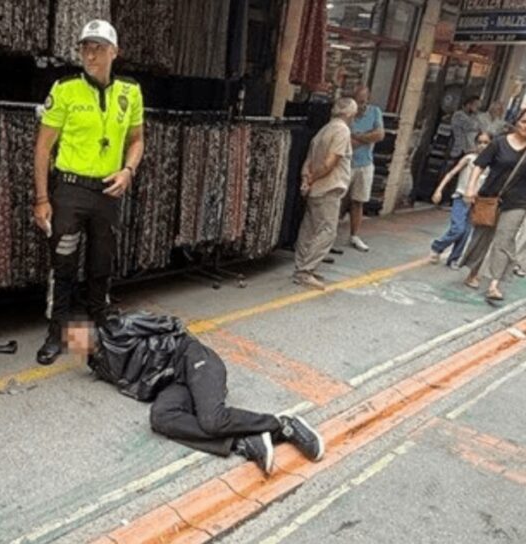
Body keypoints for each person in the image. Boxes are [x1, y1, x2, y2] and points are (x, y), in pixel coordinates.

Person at [63, 312, 324, 475]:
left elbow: (171, 324)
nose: (78, 339)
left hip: (191, 358)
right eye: (72, 339)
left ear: (89, 327)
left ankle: (283, 426)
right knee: (160, 418)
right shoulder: (99, 365)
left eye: (79, 332)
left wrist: (175, 355)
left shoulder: (119, 327)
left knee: (212, 419)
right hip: (174, 384)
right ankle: (243, 442)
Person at [33, 19, 145, 365]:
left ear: (115, 52)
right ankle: (57, 334)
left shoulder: (130, 92)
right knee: (63, 264)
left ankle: (101, 325)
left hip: (107, 193)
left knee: (102, 262)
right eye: (85, 47)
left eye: (98, 47)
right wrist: (41, 199)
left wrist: (128, 171)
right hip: (69, 191)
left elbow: (137, 140)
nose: (90, 53)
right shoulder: (65, 89)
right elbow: (42, 149)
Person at [460, 107, 526, 301]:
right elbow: (479, 166)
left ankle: (495, 283)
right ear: (516, 121)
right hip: (490, 196)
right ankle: (473, 271)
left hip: (519, 200)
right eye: (524, 121)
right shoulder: (498, 143)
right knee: (482, 236)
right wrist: (470, 189)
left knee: (505, 239)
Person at [294, 97, 358, 290]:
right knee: (327, 230)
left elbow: (309, 159)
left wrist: (307, 179)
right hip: (328, 187)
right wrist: (313, 178)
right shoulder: (342, 131)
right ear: (349, 114)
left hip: (316, 188)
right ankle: (306, 271)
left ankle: (302, 267)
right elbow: (330, 163)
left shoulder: (324, 130)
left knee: (309, 229)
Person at [430, 131, 491, 268]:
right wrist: (439, 189)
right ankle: (437, 246)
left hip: (477, 202)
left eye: (486, 143)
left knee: (466, 232)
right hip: (461, 197)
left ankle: (453, 259)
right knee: (458, 228)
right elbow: (451, 173)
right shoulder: (469, 158)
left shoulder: (491, 164)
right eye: (480, 142)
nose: (482, 146)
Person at [345, 85, 384, 252]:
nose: (360, 106)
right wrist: (368, 137)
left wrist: (358, 137)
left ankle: (354, 235)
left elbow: (379, 135)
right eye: (356, 101)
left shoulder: (375, 112)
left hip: (365, 163)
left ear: (367, 99)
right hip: (346, 163)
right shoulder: (347, 114)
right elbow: (346, 142)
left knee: (358, 200)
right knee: (339, 200)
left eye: (362, 101)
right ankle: (329, 235)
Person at [450, 96, 483, 168]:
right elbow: (471, 126)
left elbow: (480, 127)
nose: (477, 109)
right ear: (469, 105)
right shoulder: (459, 115)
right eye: (476, 106)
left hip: (468, 148)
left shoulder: (473, 117)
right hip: (459, 147)